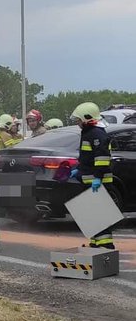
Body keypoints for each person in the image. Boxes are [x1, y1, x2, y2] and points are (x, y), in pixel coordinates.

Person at [69, 102, 114, 249]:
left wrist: (97, 178)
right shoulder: (89, 133)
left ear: (86, 118)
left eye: (78, 120)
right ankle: (96, 242)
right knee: (93, 214)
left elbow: (101, 158)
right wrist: (79, 169)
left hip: (98, 181)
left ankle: (105, 245)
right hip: (89, 180)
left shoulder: (97, 134)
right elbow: (88, 158)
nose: (77, 123)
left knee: (101, 214)